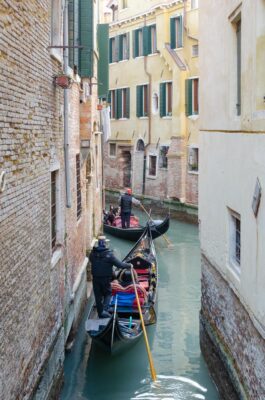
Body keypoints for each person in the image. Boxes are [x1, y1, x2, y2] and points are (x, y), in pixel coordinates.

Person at [89, 236, 132, 318]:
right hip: (105, 279)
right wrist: (130, 265)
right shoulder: (109, 255)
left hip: (95, 279)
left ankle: (100, 314)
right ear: (105, 243)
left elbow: (93, 261)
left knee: (98, 296)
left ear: (98, 243)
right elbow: (121, 265)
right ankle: (104, 310)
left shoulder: (92, 254)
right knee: (108, 294)